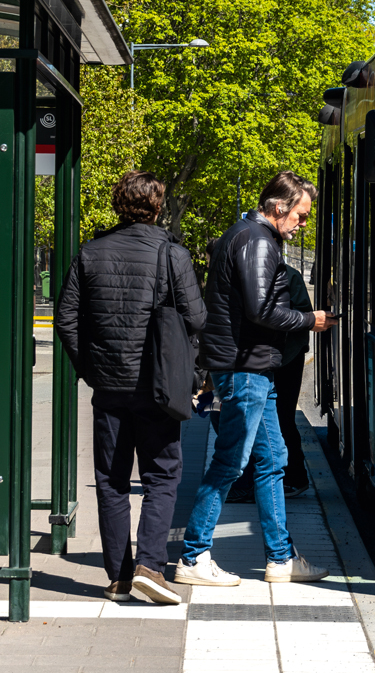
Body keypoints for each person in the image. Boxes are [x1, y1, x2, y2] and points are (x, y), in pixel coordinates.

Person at [176, 172, 333, 586]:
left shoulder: (245, 235)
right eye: (300, 215)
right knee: (231, 462)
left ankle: (281, 558)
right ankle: (193, 556)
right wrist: (310, 320)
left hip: (251, 368)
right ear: (278, 207)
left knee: (273, 460)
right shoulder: (257, 241)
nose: (303, 224)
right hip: (246, 369)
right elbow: (262, 310)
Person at [57, 170, 206, 605]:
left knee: (111, 479)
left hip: (108, 388)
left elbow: (67, 318)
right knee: (162, 476)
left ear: (118, 204)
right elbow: (196, 318)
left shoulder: (90, 252)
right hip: (158, 386)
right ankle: (151, 568)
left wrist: (90, 367)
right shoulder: (172, 254)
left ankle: (119, 577)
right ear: (157, 205)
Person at [226, 258, 314, 502]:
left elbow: (302, 316)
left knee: (281, 418)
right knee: (274, 420)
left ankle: (293, 477)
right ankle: (284, 478)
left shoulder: (287, 275)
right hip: (268, 358)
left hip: (284, 360)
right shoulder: (252, 274)